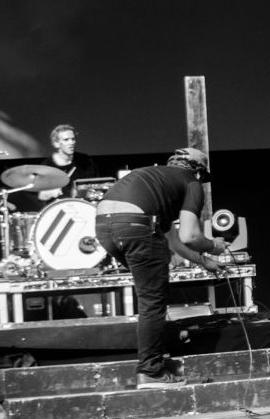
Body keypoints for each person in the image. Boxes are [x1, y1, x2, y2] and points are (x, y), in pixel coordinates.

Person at [93, 148, 228, 387]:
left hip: (105, 228)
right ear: (198, 171)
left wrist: (203, 261)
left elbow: (173, 240)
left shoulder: (157, 177)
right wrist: (212, 245)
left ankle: (158, 358)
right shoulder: (191, 183)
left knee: (153, 292)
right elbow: (189, 235)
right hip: (136, 226)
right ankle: (150, 371)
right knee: (153, 300)